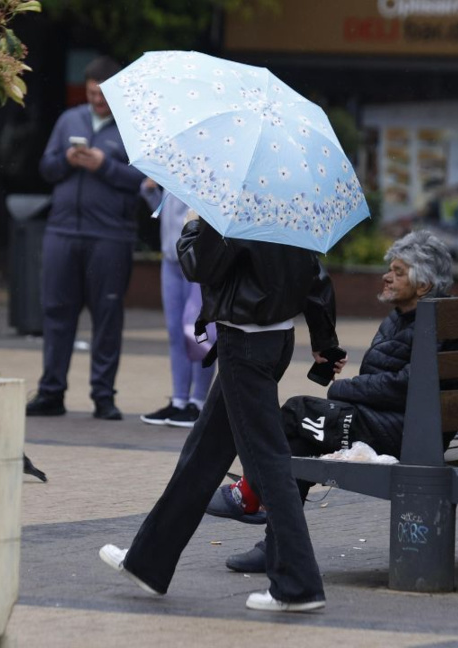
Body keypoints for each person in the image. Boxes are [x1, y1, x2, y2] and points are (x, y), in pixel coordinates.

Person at [99, 212, 340, 613]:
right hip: (275, 340)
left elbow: (197, 265)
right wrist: (324, 340)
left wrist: (197, 223)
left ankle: (298, 584)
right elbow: (315, 278)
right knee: (203, 456)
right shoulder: (286, 202)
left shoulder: (233, 207)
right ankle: (148, 563)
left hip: (244, 345)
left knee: (267, 464)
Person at [210, 230, 458, 574]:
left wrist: (341, 390)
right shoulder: (401, 318)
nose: (387, 277)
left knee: (297, 412)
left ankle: (251, 495)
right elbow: (390, 381)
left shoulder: (436, 324)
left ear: (424, 285)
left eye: (399, 271)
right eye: (390, 268)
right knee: (299, 438)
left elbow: (407, 386)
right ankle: (277, 546)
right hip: (392, 423)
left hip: (408, 434)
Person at [25, 56, 146, 421]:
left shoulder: (132, 128)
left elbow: (145, 181)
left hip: (110, 235)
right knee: (56, 313)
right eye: (93, 93)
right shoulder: (68, 119)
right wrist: (66, 159)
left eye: (104, 95)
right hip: (62, 230)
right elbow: (45, 168)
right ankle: (51, 392)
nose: (97, 101)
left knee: (107, 316)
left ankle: (103, 396)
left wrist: (104, 166)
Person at [138, 179, 213, 428]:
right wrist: (150, 193)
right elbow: (168, 213)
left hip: (198, 259)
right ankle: (179, 400)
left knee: (197, 332)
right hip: (170, 259)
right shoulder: (174, 163)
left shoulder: (212, 164)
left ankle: (198, 402)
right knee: (174, 331)